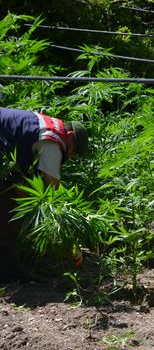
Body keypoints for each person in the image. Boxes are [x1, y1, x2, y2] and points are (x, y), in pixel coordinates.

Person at [0, 107, 89, 274]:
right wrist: (69, 241)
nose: (71, 156)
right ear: (70, 136)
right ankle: (6, 269)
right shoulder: (53, 142)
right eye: (74, 151)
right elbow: (51, 192)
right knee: (8, 207)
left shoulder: (48, 124)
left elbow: (24, 184)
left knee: (12, 197)